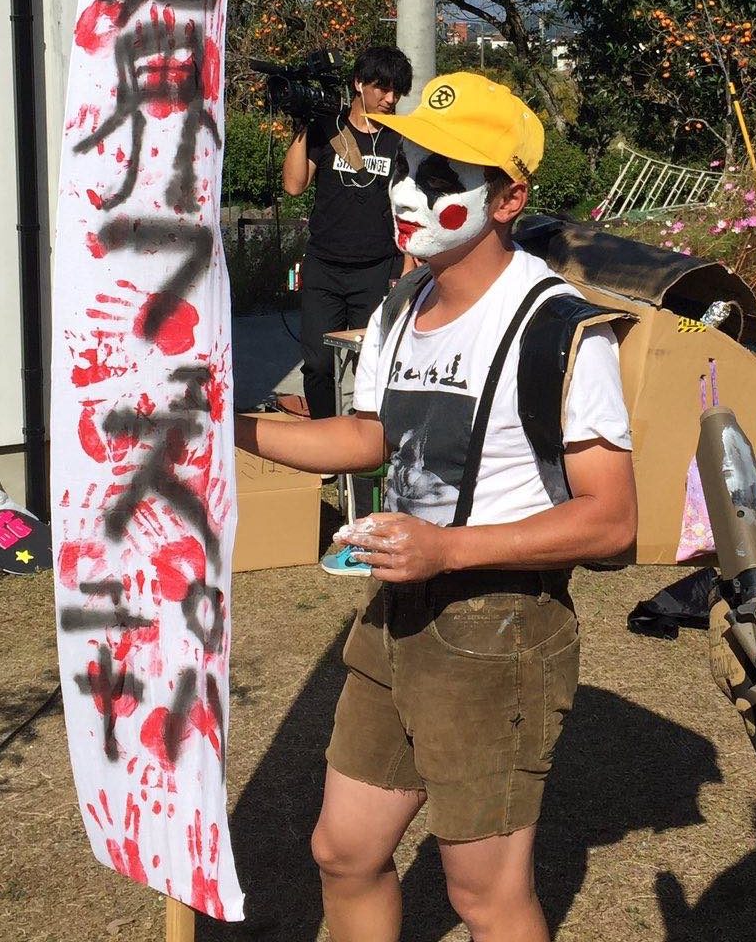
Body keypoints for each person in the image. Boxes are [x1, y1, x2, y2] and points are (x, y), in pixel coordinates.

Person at [236, 72, 637, 942]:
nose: (408, 192)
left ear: (508, 198)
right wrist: (230, 428)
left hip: (500, 631)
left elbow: (612, 519)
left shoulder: (556, 327)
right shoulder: (400, 303)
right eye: (404, 165)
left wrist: (446, 551)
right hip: (397, 614)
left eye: (441, 175)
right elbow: (368, 438)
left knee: (482, 897)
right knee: (343, 851)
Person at [281, 45, 414, 420]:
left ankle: (365, 445)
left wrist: (405, 264)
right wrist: (302, 125)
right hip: (324, 265)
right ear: (358, 84)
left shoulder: (400, 140)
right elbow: (294, 185)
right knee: (319, 365)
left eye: (396, 92)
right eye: (381, 88)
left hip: (376, 268)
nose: (390, 99)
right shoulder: (327, 128)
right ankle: (325, 442)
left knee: (370, 366)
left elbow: (407, 205)